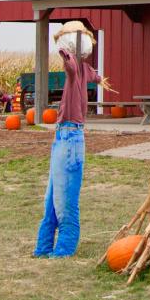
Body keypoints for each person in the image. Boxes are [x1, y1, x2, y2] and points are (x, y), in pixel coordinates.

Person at [35, 22, 113, 258]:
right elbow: (94, 75)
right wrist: (100, 79)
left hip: (71, 137)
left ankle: (64, 249)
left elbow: (72, 67)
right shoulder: (84, 67)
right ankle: (43, 247)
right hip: (61, 135)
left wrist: (65, 52)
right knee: (51, 197)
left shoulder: (74, 67)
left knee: (66, 198)